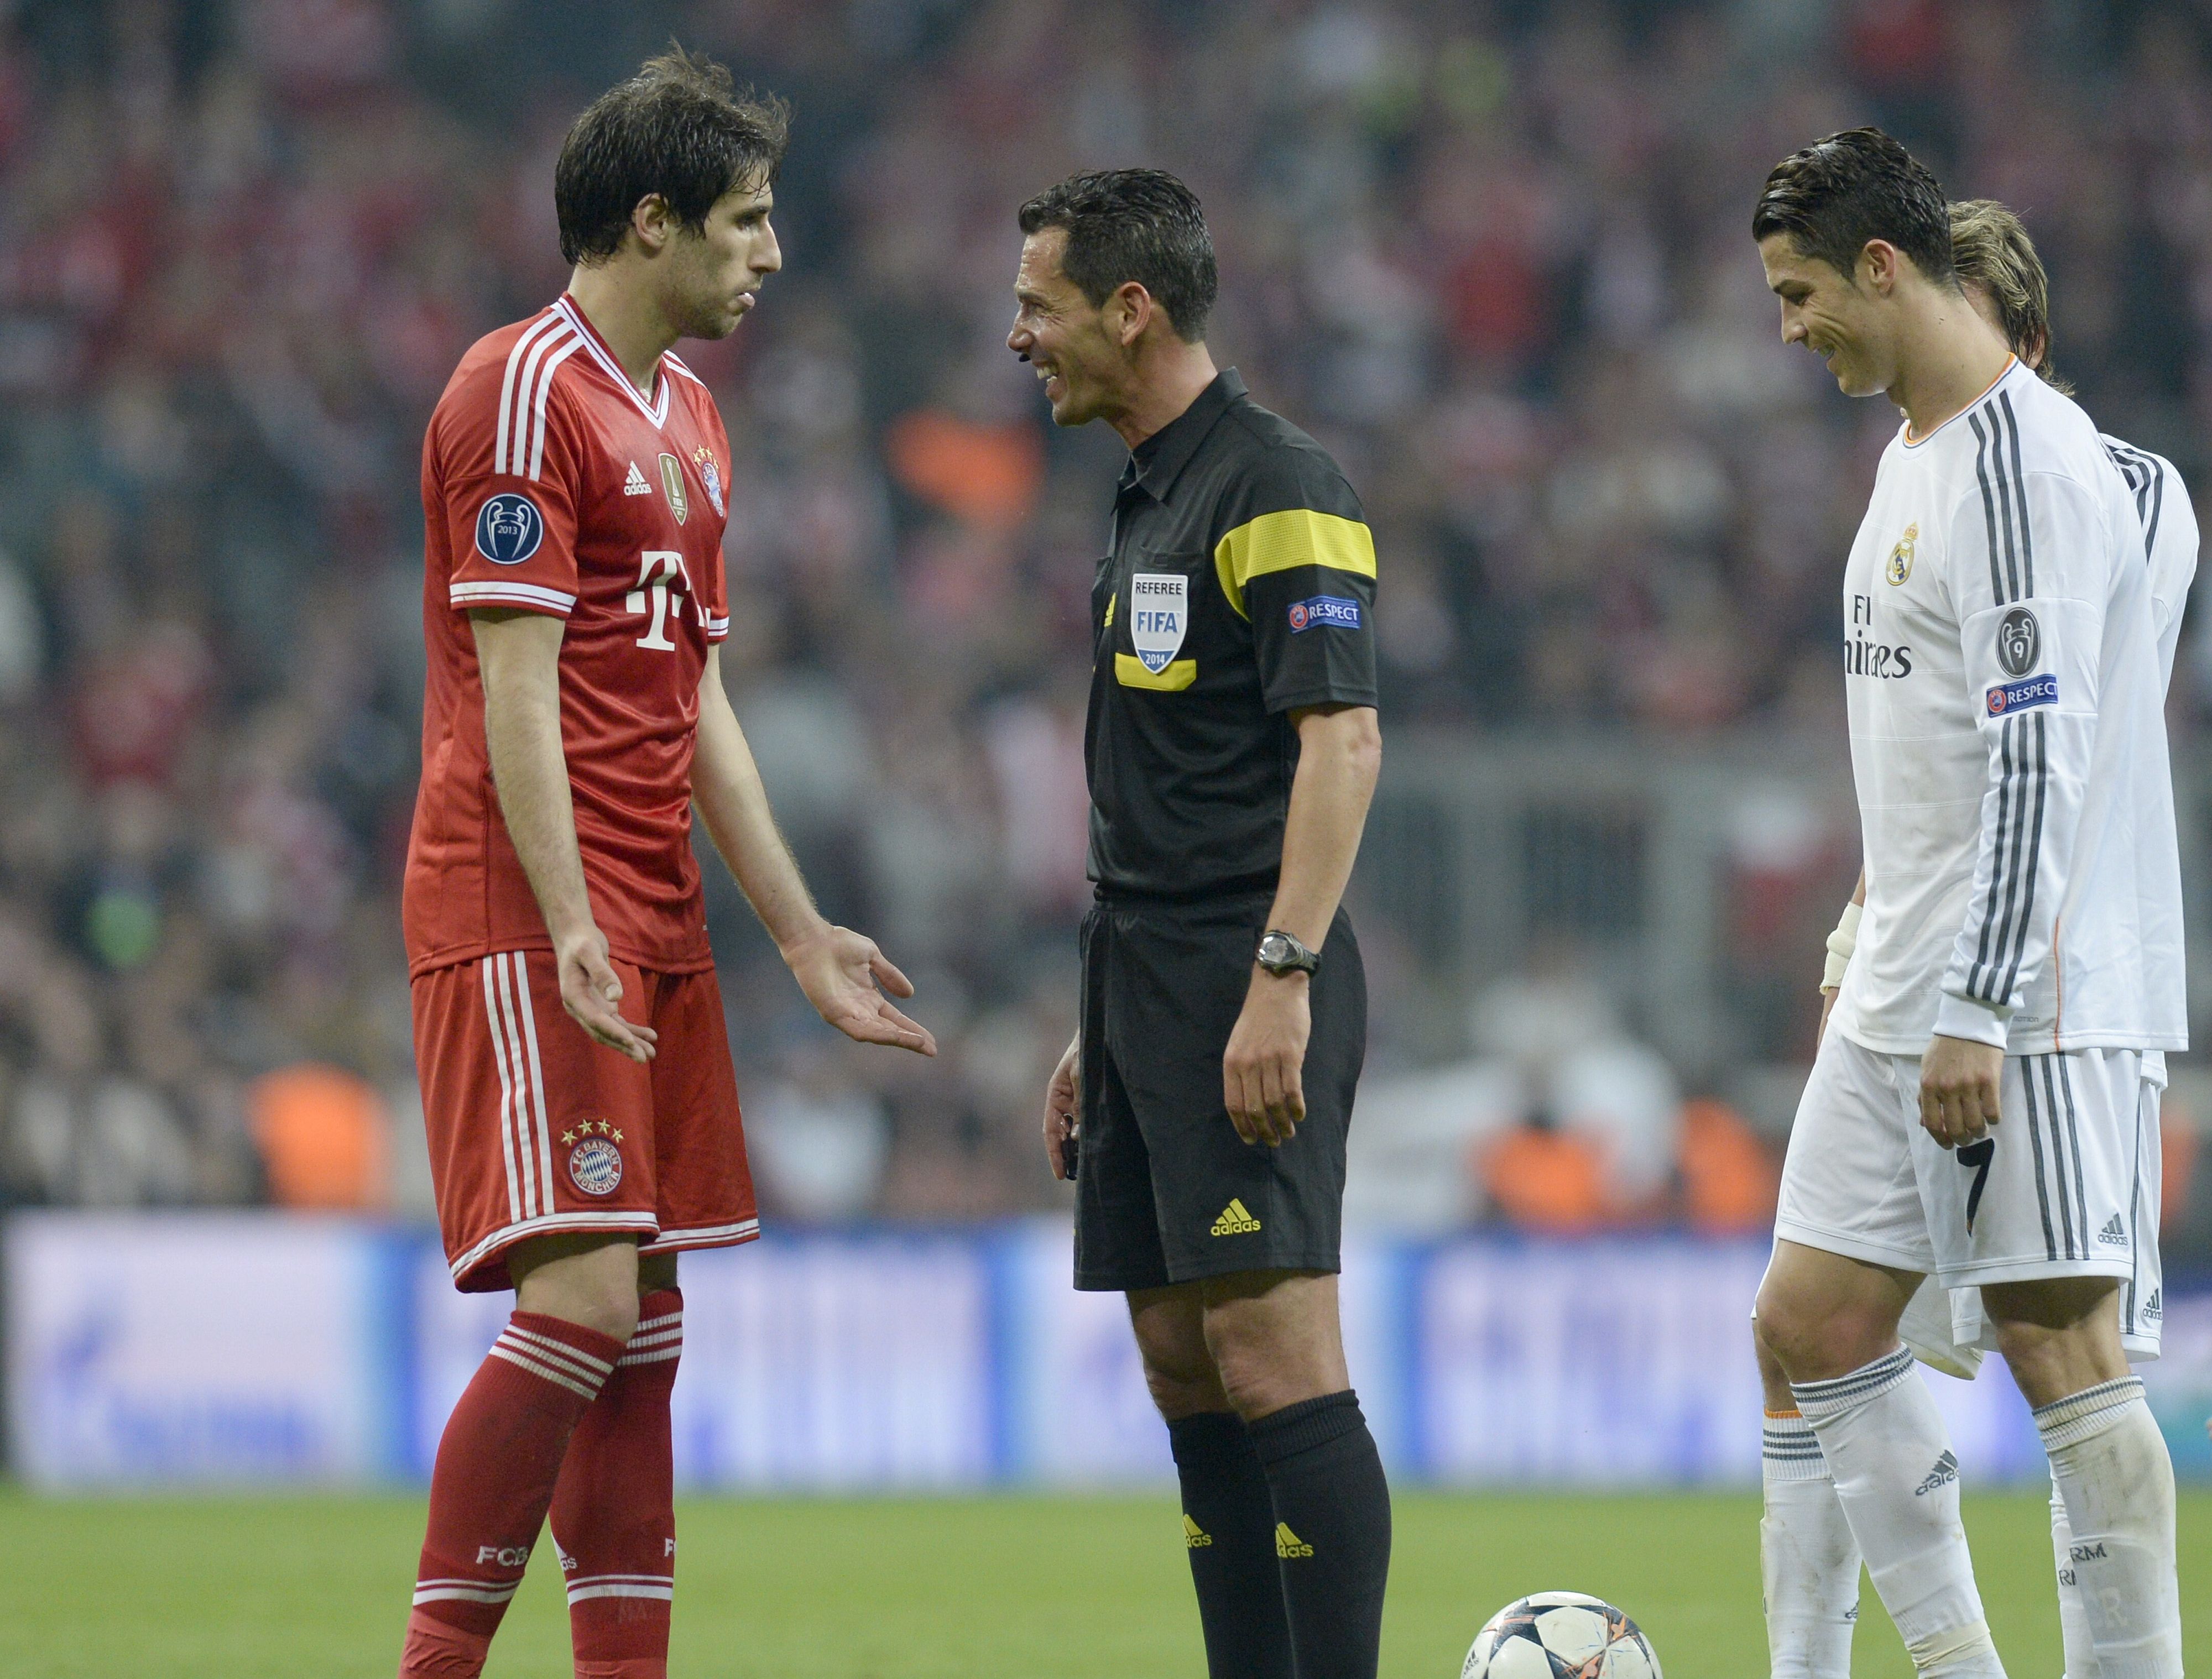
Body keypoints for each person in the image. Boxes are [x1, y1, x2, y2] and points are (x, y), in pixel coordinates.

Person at [397, 50, 936, 1679]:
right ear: (654, 223)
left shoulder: (692, 418)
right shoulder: (517, 387)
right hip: (523, 906)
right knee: (578, 1313)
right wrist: (566, 919)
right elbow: (508, 685)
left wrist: (797, 935)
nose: (772, 255)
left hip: (657, 918)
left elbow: (693, 699)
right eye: (748, 222)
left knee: (646, 1332)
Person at [1750, 129, 2186, 1678]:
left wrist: (1979, 1002)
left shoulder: (2028, 463)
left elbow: (2042, 754)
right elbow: (1934, 735)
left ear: (1884, 265)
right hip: (1904, 978)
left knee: (2060, 1350)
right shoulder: (1914, 452)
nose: (1790, 329)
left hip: (2027, 1006)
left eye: (1803, 294)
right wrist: (1883, 919)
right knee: (1802, 1330)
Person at [1012, 169, 1389, 1679]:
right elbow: (1163, 789)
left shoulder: (1280, 486)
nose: (1017, 335)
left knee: (1273, 1346)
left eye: (1038, 305)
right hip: (1142, 976)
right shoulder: (1151, 489)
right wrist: (1090, 1026)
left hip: (1251, 962)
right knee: (1181, 1360)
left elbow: (1342, 747)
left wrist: (1283, 974)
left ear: (1130, 308)